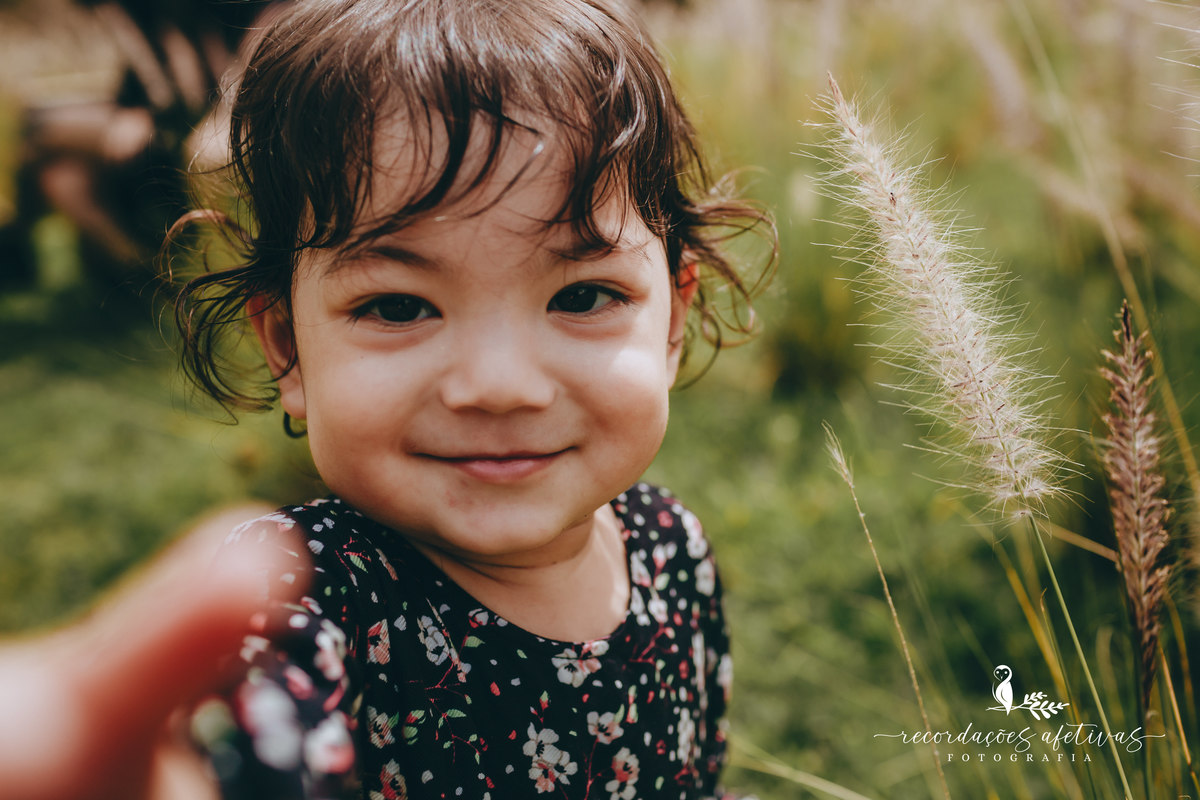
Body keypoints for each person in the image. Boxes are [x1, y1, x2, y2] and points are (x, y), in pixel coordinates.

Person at [3, 0, 772, 797]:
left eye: (582, 296)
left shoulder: (670, 545)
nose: (500, 386)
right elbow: (250, 740)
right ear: (288, 346)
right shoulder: (310, 599)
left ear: (673, 318)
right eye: (399, 306)